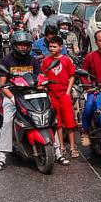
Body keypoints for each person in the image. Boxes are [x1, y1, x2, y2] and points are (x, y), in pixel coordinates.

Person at [0, 32, 42, 171]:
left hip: (30, 95)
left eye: (26, 45)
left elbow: (38, 79)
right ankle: (2, 157)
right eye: (20, 45)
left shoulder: (33, 60)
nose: (23, 48)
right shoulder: (6, 61)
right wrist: (13, 98)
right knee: (8, 121)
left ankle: (57, 151)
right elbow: (2, 85)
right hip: (12, 96)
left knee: (49, 114)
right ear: (14, 45)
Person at [40, 35, 77, 164]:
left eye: (54, 46)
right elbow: (43, 77)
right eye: (50, 46)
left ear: (60, 47)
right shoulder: (46, 61)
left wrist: (68, 92)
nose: (52, 48)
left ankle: (72, 147)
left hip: (64, 95)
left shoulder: (66, 60)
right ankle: (61, 147)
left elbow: (72, 76)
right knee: (58, 123)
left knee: (70, 122)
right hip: (52, 95)